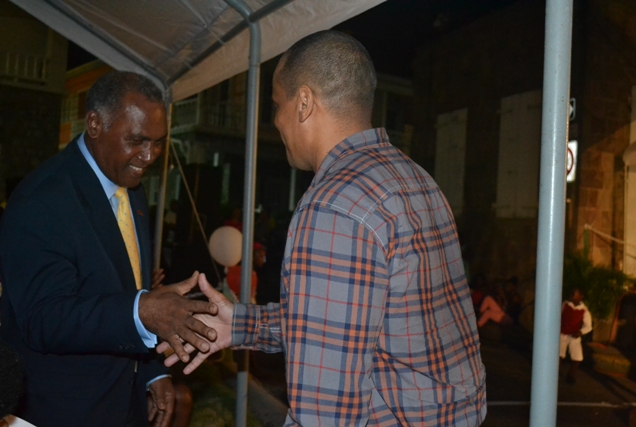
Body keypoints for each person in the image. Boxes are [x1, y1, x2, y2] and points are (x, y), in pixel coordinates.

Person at [164, 30, 486, 426]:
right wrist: (243, 325)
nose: (277, 121)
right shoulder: (416, 179)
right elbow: (352, 321)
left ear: (303, 103)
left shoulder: (334, 205)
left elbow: (326, 412)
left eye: (277, 105)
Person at [0, 71, 220, 427]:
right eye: (137, 140)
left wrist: (151, 371)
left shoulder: (130, 186)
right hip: (63, 410)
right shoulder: (42, 199)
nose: (149, 156)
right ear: (94, 124)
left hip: (124, 404)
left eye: (159, 142)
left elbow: (127, 292)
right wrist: (144, 310)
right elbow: (44, 318)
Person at [559, 288, 592, 384]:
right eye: (571, 293)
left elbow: (588, 326)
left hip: (574, 336)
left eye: (574, 293)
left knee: (577, 357)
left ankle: (570, 375)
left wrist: (580, 332)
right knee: (559, 355)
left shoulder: (584, 311)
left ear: (581, 297)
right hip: (562, 334)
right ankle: (553, 373)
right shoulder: (565, 305)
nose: (571, 295)